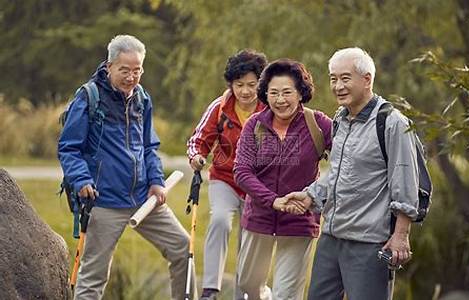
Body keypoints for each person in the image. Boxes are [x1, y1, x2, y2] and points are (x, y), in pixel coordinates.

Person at [58, 35, 196, 300]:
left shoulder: (142, 99)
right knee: (94, 276)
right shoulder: (89, 98)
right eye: (125, 70)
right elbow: (69, 147)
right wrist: (81, 180)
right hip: (104, 201)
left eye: (137, 70)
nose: (131, 77)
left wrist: (156, 181)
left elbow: (149, 147)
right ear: (109, 66)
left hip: (144, 198)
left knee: (182, 249)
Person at [285, 47, 419, 300]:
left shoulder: (393, 123)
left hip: (368, 243)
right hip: (331, 238)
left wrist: (401, 235)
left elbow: (406, 182)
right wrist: (310, 197)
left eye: (345, 78)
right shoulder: (340, 119)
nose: (337, 86)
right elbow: (337, 173)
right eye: (333, 78)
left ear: (367, 79)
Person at [233, 58, 332, 300]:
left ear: (300, 93)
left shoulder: (318, 124)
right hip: (259, 217)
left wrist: (315, 194)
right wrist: (273, 200)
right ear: (265, 95)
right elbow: (242, 171)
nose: (280, 100)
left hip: (300, 219)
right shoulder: (255, 125)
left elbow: (347, 162)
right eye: (273, 93)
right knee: (248, 283)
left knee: (287, 294)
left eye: (287, 92)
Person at [187, 49, 268, 300]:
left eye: (252, 85)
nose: (245, 91)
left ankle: (243, 293)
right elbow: (199, 140)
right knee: (220, 220)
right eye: (239, 85)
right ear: (231, 84)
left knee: (249, 238)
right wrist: (196, 157)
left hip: (257, 185)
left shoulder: (270, 109)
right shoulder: (220, 107)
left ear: (261, 84)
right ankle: (210, 289)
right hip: (225, 179)